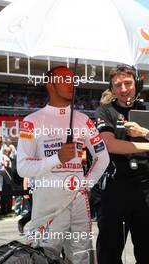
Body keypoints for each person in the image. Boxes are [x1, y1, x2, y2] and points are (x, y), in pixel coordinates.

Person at [17, 66, 109, 264]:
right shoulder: (31, 121)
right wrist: (57, 159)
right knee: (43, 257)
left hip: (78, 202)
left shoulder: (84, 120)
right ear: (50, 84)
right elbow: (23, 167)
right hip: (48, 204)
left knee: (81, 256)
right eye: (65, 79)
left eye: (73, 80)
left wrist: (86, 184)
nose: (71, 84)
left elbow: (103, 157)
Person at [95, 65, 149, 264]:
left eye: (128, 83)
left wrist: (144, 132)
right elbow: (110, 144)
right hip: (116, 188)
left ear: (138, 84)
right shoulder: (105, 111)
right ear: (112, 88)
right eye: (118, 85)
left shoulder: (147, 109)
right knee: (109, 250)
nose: (124, 89)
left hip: (146, 189)